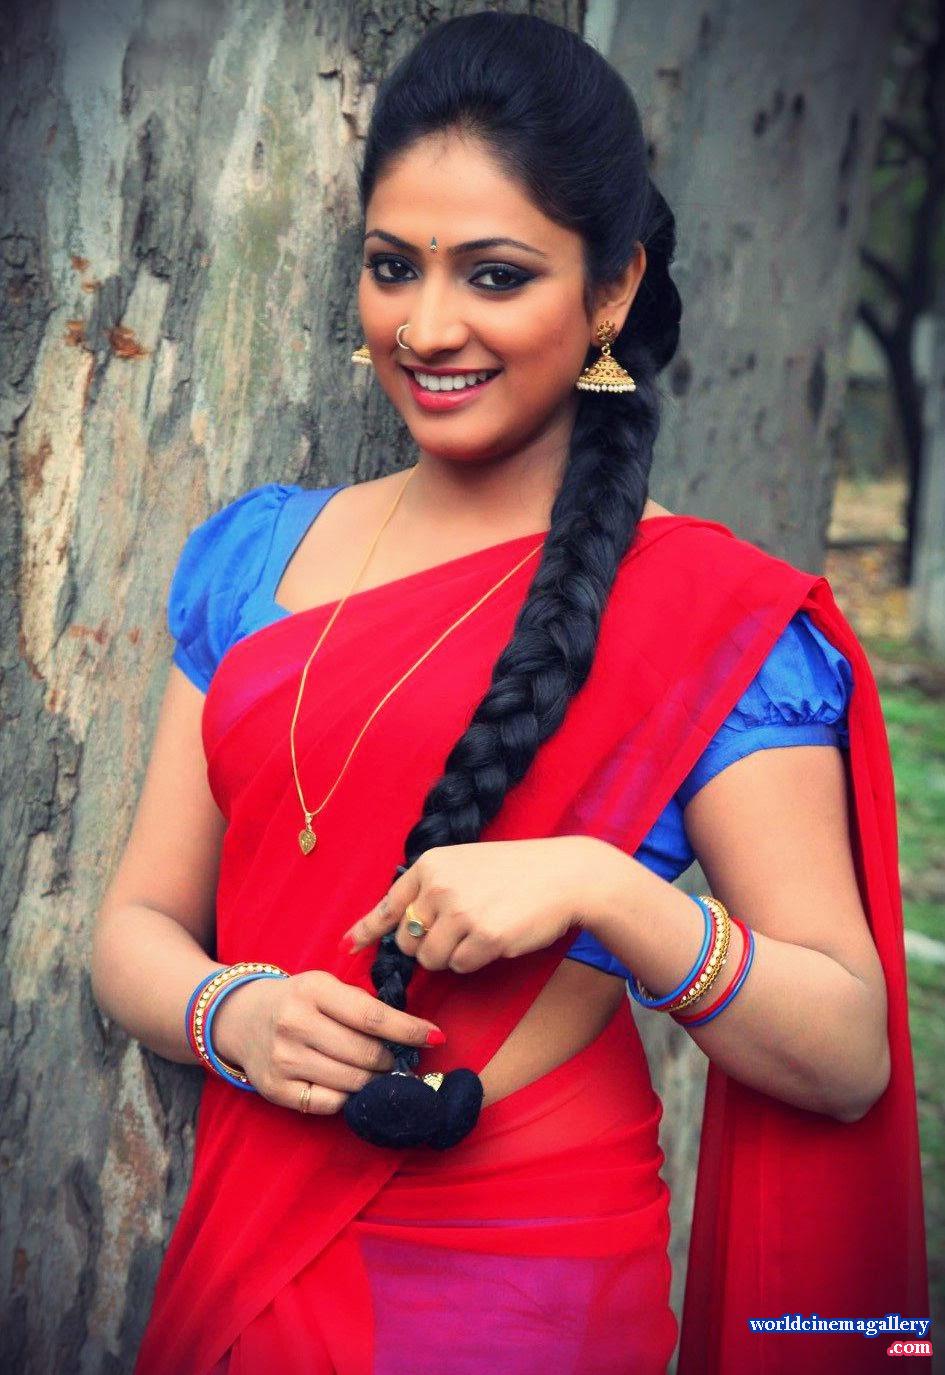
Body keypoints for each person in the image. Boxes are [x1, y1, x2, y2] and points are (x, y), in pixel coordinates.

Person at [91, 12, 928, 1374]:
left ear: (611, 289)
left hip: (519, 1286)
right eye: (391, 267)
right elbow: (136, 925)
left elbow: (844, 1055)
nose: (426, 328)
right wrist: (226, 1013)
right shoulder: (254, 557)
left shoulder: (707, 618)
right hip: (249, 1237)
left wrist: (608, 891)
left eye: (494, 275)